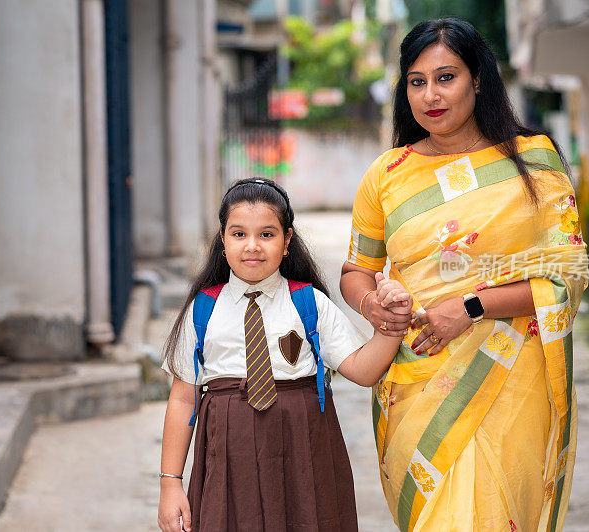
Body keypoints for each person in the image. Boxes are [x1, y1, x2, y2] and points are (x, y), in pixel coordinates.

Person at [340, 18, 589, 532]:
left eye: (446, 77)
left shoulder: (534, 162)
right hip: (416, 379)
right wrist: (373, 306)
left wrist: (472, 306)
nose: (430, 94)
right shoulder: (387, 174)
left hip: (512, 383)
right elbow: (355, 271)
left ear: (478, 80)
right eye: (416, 81)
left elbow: (567, 275)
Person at [157, 178, 412, 532]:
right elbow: (184, 399)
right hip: (229, 454)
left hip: (303, 451)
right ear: (222, 240)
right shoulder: (203, 310)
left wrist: (392, 327)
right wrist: (170, 483)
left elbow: (363, 369)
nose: (252, 246)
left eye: (266, 234)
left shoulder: (308, 303)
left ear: (287, 240)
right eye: (238, 234)